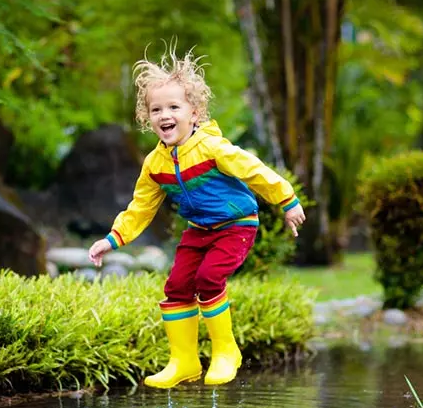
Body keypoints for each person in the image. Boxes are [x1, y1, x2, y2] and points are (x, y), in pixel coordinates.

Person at [88, 45, 305, 389]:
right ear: (148, 118)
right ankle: (184, 361)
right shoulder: (155, 164)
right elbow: (141, 206)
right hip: (199, 230)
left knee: (208, 279)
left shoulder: (212, 148)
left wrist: (287, 199)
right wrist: (112, 239)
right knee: (176, 288)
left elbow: (253, 170)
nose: (164, 115)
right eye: (156, 109)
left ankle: (226, 352)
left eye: (174, 107)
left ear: (194, 112)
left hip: (236, 226)